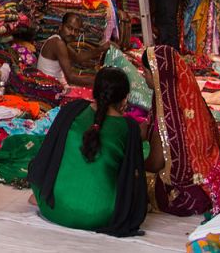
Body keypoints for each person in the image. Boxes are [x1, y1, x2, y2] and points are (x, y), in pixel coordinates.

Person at [26, 67, 164, 236]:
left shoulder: (73, 109)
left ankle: (43, 196)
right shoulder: (129, 128)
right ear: (125, 98)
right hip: (101, 215)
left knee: (40, 162)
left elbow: (47, 154)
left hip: (55, 207)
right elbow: (131, 176)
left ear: (94, 91)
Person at [142, 46, 220, 216]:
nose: (144, 77)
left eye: (146, 73)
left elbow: (156, 162)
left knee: (132, 178)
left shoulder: (167, 116)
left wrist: (135, 165)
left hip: (185, 195)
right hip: (210, 181)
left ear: (158, 76)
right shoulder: (190, 100)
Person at [37, 13, 109, 87]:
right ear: (61, 26)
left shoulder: (59, 41)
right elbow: (71, 78)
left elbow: (77, 57)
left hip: (53, 85)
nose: (72, 33)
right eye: (69, 28)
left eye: (76, 31)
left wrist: (101, 49)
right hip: (49, 88)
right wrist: (101, 81)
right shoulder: (58, 43)